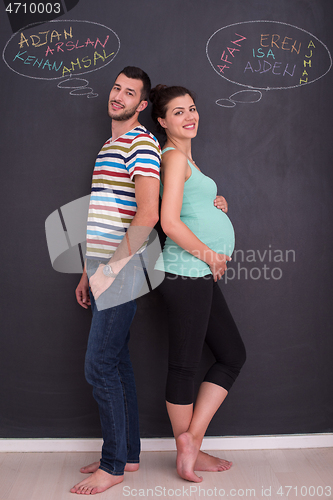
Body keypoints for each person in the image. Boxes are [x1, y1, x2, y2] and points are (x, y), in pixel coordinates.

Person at [150, 84, 246, 483]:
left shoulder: (187, 161)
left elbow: (188, 207)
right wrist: (210, 254)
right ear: (161, 121)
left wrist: (214, 203)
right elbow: (168, 222)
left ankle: (192, 440)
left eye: (192, 108)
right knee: (185, 364)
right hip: (184, 272)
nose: (189, 116)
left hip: (197, 274)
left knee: (232, 355)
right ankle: (187, 448)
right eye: (178, 112)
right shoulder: (172, 158)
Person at [72, 67, 161, 495]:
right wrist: (89, 271)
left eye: (130, 93)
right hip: (107, 269)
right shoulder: (111, 145)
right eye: (116, 88)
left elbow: (148, 214)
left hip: (125, 271)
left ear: (142, 105)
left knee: (99, 365)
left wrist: (109, 271)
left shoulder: (141, 143)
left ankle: (113, 466)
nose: (118, 96)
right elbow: (106, 216)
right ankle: (126, 455)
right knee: (117, 362)